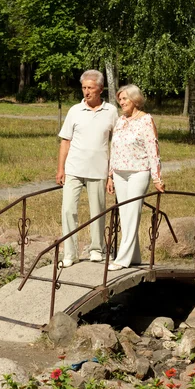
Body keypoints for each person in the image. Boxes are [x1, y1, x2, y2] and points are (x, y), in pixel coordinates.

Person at [56, 70, 118, 267]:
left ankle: (96, 249)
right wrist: (60, 169)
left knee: (97, 211)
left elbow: (116, 144)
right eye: (84, 88)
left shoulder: (111, 111)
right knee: (68, 210)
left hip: (98, 170)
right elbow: (65, 142)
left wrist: (111, 175)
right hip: (74, 168)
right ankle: (70, 253)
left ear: (100, 89)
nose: (86, 92)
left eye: (90, 88)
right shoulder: (75, 110)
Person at [106, 84, 164, 271]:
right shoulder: (121, 121)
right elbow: (113, 149)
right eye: (120, 100)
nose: (121, 103)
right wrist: (110, 176)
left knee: (132, 213)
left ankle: (122, 259)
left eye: (125, 99)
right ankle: (135, 255)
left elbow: (153, 151)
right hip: (119, 173)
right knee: (125, 214)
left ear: (135, 100)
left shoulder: (146, 120)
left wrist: (157, 178)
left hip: (139, 172)